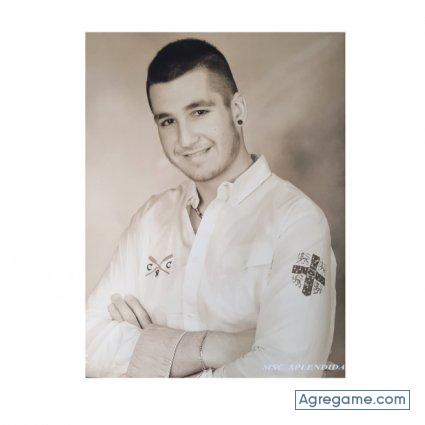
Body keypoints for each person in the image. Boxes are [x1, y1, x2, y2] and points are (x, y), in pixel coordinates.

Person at [86, 38, 337, 378]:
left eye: (199, 112)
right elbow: (86, 344)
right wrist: (216, 347)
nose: (185, 139)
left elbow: (287, 373)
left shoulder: (296, 221)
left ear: (238, 110)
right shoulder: (150, 219)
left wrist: (150, 356)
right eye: (167, 121)